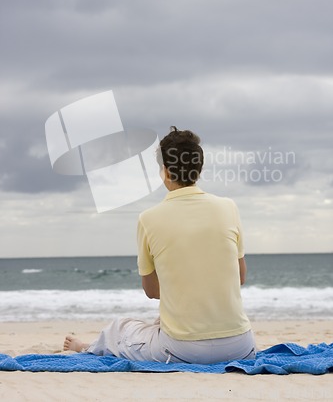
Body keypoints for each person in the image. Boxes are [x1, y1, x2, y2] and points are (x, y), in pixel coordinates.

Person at [64, 126, 256, 364]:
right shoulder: (229, 207)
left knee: (119, 329)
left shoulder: (149, 218)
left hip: (183, 351)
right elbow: (240, 276)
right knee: (163, 324)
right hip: (241, 346)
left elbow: (153, 291)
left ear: (165, 172)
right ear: (199, 169)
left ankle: (87, 348)